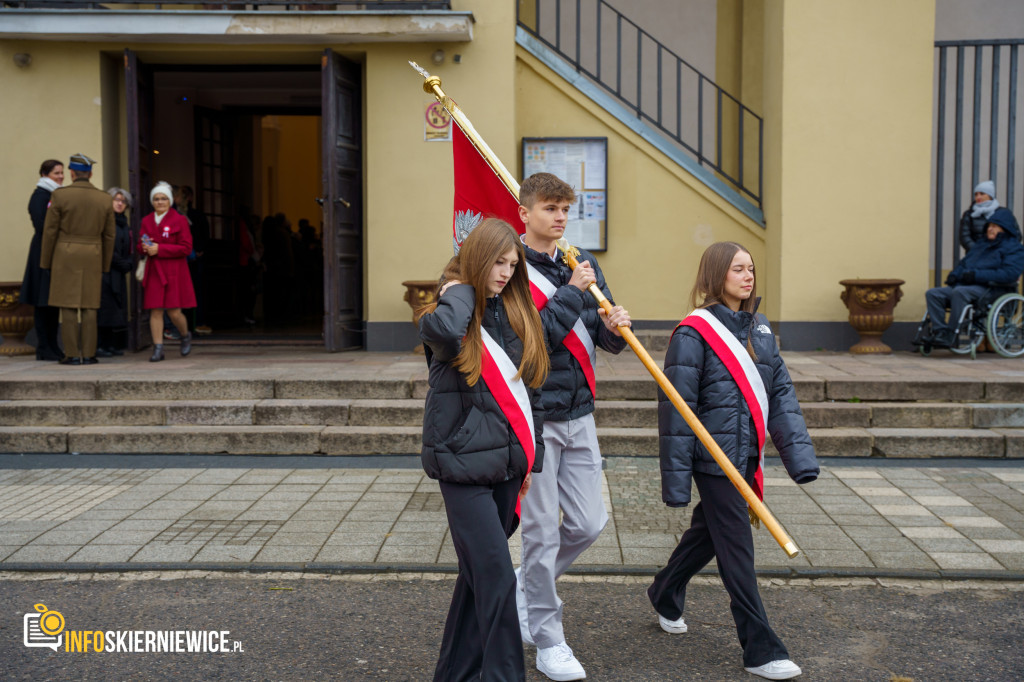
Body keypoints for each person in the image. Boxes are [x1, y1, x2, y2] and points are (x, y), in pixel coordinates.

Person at [648, 241, 819, 681]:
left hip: (748, 455)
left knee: (709, 534)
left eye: (751, 269)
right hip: (715, 461)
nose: (748, 277)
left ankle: (664, 590)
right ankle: (761, 648)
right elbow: (676, 407)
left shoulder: (760, 329)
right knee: (737, 550)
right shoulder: (693, 332)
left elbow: (781, 396)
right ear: (717, 275)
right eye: (738, 269)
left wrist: (799, 459)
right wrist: (676, 482)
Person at [419, 218, 548, 682]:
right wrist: (459, 288)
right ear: (476, 258)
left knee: (476, 580)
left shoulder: (512, 312)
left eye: (513, 265)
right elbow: (449, 333)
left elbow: (527, 393)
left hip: (507, 467)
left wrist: (531, 458)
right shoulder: (448, 311)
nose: (505, 272)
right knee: (496, 578)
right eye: (497, 261)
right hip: (461, 467)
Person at [515, 172, 631, 681]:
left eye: (565, 208)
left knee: (588, 523)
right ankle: (548, 638)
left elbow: (602, 338)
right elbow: (529, 345)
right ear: (525, 212)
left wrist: (615, 328)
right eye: (549, 208)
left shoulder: (580, 262)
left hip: (580, 412)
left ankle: (526, 585)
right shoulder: (511, 269)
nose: (560, 217)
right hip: (536, 415)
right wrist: (571, 290)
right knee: (540, 534)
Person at [39, 153, 115, 365]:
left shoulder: (60, 196)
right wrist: (105, 264)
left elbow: (50, 231)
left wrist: (46, 262)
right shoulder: (104, 198)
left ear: (72, 173)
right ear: (90, 173)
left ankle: (72, 354)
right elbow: (109, 235)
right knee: (90, 305)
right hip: (93, 253)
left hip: (66, 253)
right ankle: (89, 354)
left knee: (68, 305)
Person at [926, 207, 1024, 348]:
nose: (990, 229)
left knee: (959, 293)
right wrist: (954, 275)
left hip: (993, 289)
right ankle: (940, 332)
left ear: (1005, 229)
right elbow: (964, 263)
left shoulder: (1014, 248)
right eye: (989, 226)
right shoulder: (981, 245)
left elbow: (1009, 274)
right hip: (969, 286)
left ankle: (951, 334)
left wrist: (976, 276)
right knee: (933, 294)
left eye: (995, 226)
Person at [139, 181, 196, 362]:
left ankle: (185, 335)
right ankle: (158, 348)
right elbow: (141, 245)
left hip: (173, 271)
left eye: (164, 198)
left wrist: (160, 249)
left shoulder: (179, 220)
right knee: (155, 310)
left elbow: (186, 248)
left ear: (170, 200)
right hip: (154, 270)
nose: (160, 202)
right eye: (156, 199)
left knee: (174, 312)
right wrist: (144, 248)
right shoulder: (146, 220)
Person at [20, 159, 64, 361]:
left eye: (62, 173)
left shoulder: (54, 195)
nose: (61, 176)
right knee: (42, 301)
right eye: (57, 173)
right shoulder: (40, 196)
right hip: (41, 253)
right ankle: (43, 347)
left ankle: (53, 345)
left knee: (52, 301)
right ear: (45, 175)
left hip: (52, 253)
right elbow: (43, 226)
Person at [96, 187, 134, 357]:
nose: (120, 203)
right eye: (116, 200)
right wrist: (123, 263)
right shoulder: (105, 220)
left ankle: (111, 345)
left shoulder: (124, 223)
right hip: (105, 272)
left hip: (118, 272)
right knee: (105, 309)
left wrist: (129, 262)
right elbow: (106, 248)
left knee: (115, 309)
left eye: (123, 201)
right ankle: (100, 345)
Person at [174, 185, 212, 335]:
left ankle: (194, 323)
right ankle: (190, 324)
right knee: (187, 292)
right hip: (184, 257)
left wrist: (199, 250)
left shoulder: (194, 215)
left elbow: (204, 235)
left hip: (192, 257)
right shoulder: (174, 215)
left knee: (194, 291)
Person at [959, 180, 1001, 253]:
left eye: (982, 194)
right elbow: (964, 237)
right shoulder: (969, 214)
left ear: (990, 195)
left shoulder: (1002, 212)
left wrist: (998, 250)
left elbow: (1015, 234)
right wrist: (978, 250)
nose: (978, 197)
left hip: (999, 257)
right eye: (976, 194)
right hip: (976, 257)